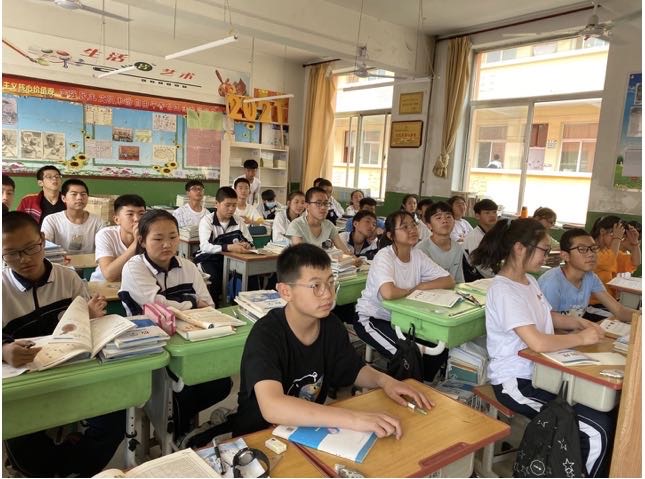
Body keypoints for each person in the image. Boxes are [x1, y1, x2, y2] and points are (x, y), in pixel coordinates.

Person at [232, 243, 433, 436]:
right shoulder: (266, 334)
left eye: (330, 282)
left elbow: (353, 369)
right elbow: (272, 406)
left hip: (308, 431)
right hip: (259, 437)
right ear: (286, 291)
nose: (328, 294)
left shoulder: (330, 325)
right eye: (316, 286)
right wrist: (354, 419)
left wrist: (385, 381)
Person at [470, 218, 612, 478]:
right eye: (544, 251)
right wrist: (581, 338)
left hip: (543, 373)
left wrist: (578, 322)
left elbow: (547, 316)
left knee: (603, 413)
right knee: (595, 430)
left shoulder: (528, 281)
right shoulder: (503, 290)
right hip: (516, 382)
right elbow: (537, 341)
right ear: (519, 248)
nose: (548, 257)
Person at [2, 212, 121, 478]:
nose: (24, 259)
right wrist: (4, 350)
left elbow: (84, 326)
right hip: (25, 387)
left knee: (114, 420)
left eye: (31, 248)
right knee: (23, 446)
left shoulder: (68, 278)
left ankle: (71, 468)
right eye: (11, 254)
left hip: (74, 374)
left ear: (43, 240)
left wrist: (88, 316)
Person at [118, 209, 232, 440]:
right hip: (152, 349)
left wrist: (181, 307)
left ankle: (185, 433)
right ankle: (179, 437)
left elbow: (209, 306)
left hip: (190, 344)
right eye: (158, 238)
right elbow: (156, 303)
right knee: (180, 394)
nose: (167, 244)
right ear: (142, 240)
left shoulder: (188, 267)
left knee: (221, 382)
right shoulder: (134, 267)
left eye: (173, 237)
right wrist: (191, 302)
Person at [354, 211, 455, 381]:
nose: (412, 230)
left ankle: (419, 383)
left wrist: (420, 287)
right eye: (404, 227)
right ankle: (399, 387)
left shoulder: (417, 255)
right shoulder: (384, 256)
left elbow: (448, 280)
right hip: (372, 318)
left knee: (440, 347)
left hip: (402, 320)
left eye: (413, 225)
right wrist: (414, 290)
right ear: (390, 235)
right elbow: (388, 292)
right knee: (408, 356)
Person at [538, 228, 636, 322]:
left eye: (593, 248)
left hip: (575, 331)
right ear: (565, 256)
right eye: (582, 249)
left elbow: (619, 310)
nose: (591, 254)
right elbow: (547, 323)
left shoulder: (591, 277)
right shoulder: (551, 283)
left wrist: (640, 316)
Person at [195, 187, 254, 305]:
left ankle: (239, 305)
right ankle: (214, 308)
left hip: (233, 260)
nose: (231, 209)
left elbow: (251, 242)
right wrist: (229, 247)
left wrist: (247, 245)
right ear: (217, 204)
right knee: (214, 279)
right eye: (227, 205)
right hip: (208, 259)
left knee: (249, 277)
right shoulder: (207, 221)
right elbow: (205, 246)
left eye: (234, 205)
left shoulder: (238, 221)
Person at [90, 194, 146, 281]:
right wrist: (136, 243)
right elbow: (109, 275)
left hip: (134, 285)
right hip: (103, 285)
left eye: (141, 214)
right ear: (117, 220)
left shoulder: (151, 236)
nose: (137, 219)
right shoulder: (105, 235)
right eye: (130, 214)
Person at [41, 178, 103, 254]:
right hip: (60, 261)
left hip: (90, 261)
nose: (79, 198)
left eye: (83, 194)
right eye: (74, 194)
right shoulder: (51, 220)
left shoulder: (98, 221)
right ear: (63, 198)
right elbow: (45, 246)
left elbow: (103, 248)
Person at [286, 187, 353, 255]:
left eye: (326, 203)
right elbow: (301, 255)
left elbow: (345, 251)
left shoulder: (329, 225)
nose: (323, 207)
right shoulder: (296, 225)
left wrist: (354, 258)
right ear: (307, 206)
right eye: (318, 203)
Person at [590, 215, 640, 298]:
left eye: (621, 237)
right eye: (613, 234)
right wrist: (617, 238)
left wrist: (635, 243)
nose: (619, 240)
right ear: (602, 231)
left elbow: (635, 262)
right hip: (591, 302)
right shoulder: (590, 250)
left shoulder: (608, 251)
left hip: (608, 300)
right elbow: (609, 261)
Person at [415, 201, 465, 283]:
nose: (445, 220)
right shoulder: (421, 249)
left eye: (448, 217)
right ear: (429, 225)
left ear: (454, 222)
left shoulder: (458, 248)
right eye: (438, 218)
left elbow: (459, 280)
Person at [463, 198, 498, 280]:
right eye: (487, 213)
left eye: (494, 212)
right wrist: (500, 277)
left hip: (491, 275)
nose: (492, 215)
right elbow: (481, 267)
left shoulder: (494, 234)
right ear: (477, 216)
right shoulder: (474, 236)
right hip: (475, 278)